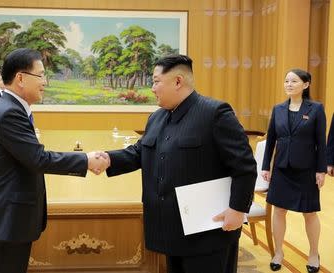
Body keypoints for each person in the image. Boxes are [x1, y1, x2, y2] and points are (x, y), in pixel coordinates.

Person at [99, 55, 256, 273]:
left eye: (155, 81)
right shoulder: (157, 117)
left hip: (208, 232)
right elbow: (139, 152)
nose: (152, 88)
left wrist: (238, 209)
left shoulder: (214, 113)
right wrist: (107, 159)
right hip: (171, 228)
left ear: (178, 81)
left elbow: (245, 166)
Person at [0, 48, 108, 273]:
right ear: (21, 78)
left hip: (10, 217)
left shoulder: (13, 108)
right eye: (41, 75)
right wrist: (86, 159)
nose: (45, 82)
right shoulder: (9, 113)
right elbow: (38, 158)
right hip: (6, 219)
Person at [262, 69, 326, 273]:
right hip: (281, 169)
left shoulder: (316, 109)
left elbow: (320, 143)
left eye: (294, 81)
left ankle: (314, 253)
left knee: (309, 213)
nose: (289, 84)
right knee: (279, 211)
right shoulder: (278, 109)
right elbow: (270, 138)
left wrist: (321, 170)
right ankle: (278, 252)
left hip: (306, 169)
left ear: (306, 85)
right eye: (286, 80)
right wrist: (265, 166)